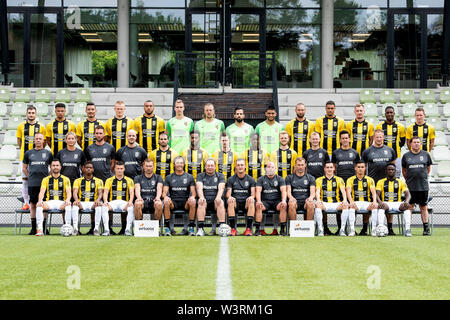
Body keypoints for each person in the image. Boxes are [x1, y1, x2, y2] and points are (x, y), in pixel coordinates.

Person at [361, 129, 396, 235]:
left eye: (381, 137)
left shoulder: (390, 150)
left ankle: (389, 228)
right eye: (377, 137)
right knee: (370, 205)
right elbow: (363, 167)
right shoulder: (367, 151)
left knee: (387, 205)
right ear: (374, 137)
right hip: (372, 184)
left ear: (383, 137)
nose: (379, 139)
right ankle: (365, 228)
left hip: (386, 183)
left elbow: (393, 166)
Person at [84, 125, 116, 234]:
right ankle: (93, 227)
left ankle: (109, 227)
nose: (98, 135)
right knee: (95, 203)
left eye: (100, 133)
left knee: (107, 203)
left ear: (104, 134)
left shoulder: (110, 147)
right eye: (96, 133)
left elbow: (113, 162)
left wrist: (109, 171)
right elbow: (87, 163)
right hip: (93, 180)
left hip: (106, 179)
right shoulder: (89, 148)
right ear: (94, 134)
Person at [22, 132, 53, 235]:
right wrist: (29, 176)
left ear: (43, 140)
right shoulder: (28, 153)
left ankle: (43, 228)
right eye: (37, 139)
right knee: (33, 205)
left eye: (40, 139)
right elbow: (24, 168)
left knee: (43, 205)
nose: (38, 140)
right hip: (33, 184)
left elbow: (52, 168)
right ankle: (33, 228)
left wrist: (48, 177)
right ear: (34, 140)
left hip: (44, 185)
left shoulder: (48, 153)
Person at [17, 105, 46, 210]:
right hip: (24, 158)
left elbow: (44, 141)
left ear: (36, 114)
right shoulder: (21, 126)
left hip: (37, 159)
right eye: (29, 112)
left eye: (33, 113)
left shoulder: (41, 127)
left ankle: (40, 201)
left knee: (37, 180)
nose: (31, 114)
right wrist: (26, 154)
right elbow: (19, 142)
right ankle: (26, 203)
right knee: (25, 180)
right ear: (26, 114)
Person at [402, 136, 433, 236]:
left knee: (423, 207)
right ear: (410, 144)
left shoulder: (426, 155)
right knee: (409, 207)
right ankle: (408, 229)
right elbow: (404, 171)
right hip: (410, 187)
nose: (416, 144)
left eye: (418, 142)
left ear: (420, 144)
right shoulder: (406, 156)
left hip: (423, 186)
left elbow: (428, 169)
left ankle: (426, 228)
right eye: (414, 142)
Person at [35, 159, 72, 236]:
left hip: (61, 202)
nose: (55, 167)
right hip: (50, 203)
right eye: (53, 165)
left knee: (68, 205)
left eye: (57, 165)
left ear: (60, 167)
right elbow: (42, 192)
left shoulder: (66, 179)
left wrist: (68, 200)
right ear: (50, 167)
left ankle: (67, 228)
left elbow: (69, 192)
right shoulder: (45, 179)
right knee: (39, 206)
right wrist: (40, 200)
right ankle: (40, 230)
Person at [162, 156, 197, 236]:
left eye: (181, 163)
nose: (179, 165)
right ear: (174, 164)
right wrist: (165, 197)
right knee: (166, 201)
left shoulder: (190, 177)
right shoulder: (168, 177)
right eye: (177, 163)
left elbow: (193, 193)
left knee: (193, 201)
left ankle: (191, 228)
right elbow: (164, 193)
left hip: (185, 203)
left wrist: (192, 197)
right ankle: (167, 229)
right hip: (173, 203)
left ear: (184, 164)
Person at [376, 164, 413, 237]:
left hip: (397, 203)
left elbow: (408, 194)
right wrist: (380, 202)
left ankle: (407, 229)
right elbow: (377, 195)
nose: (391, 171)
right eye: (389, 169)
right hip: (386, 203)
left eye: (392, 169)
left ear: (395, 171)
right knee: (381, 207)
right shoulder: (381, 182)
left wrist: (406, 202)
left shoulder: (401, 182)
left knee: (406, 207)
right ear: (386, 171)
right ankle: (381, 227)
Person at [314, 161, 348, 236]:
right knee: (317, 205)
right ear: (324, 169)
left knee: (345, 205)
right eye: (327, 167)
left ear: (334, 169)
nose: (329, 169)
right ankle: (320, 230)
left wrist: (345, 200)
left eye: (331, 167)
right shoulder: (319, 180)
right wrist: (318, 200)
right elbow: (317, 192)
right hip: (324, 204)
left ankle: (342, 230)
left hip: (336, 203)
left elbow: (343, 191)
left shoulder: (339, 179)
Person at [344, 160, 377, 236]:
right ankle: (352, 230)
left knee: (375, 208)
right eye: (358, 167)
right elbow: (348, 192)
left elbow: (373, 192)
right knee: (351, 208)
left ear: (365, 168)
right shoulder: (350, 180)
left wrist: (374, 201)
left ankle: (373, 231)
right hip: (356, 202)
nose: (360, 169)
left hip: (366, 203)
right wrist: (351, 202)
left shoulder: (370, 179)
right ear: (355, 168)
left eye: (362, 167)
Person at [71, 161, 104, 236]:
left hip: (93, 203)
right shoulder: (77, 181)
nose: (88, 169)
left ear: (93, 169)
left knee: (99, 206)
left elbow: (100, 193)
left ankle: (96, 229)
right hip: (82, 203)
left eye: (90, 168)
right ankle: (75, 229)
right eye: (87, 167)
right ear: (83, 169)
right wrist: (76, 200)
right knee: (75, 206)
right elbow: (75, 192)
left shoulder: (99, 181)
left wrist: (98, 200)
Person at [102, 161, 135, 236]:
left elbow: (132, 192)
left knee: (131, 208)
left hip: (124, 202)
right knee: (104, 207)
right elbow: (106, 192)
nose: (119, 170)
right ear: (114, 169)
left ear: (124, 169)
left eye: (121, 168)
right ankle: (107, 230)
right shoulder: (109, 180)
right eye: (118, 168)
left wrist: (130, 202)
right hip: (113, 202)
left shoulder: (129, 180)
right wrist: (105, 201)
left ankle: (127, 230)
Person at [255, 161, 287, 236]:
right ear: (266, 169)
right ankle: (257, 230)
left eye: (272, 167)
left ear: (275, 169)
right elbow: (258, 191)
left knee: (283, 206)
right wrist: (259, 201)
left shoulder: (280, 179)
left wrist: (284, 201)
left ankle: (282, 230)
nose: (270, 169)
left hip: (276, 202)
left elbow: (283, 190)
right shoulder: (261, 179)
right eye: (268, 167)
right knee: (258, 205)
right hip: (265, 201)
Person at [196, 158, 226, 236]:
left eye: (212, 165)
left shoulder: (220, 175)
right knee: (201, 202)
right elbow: (199, 188)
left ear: (215, 167)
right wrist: (201, 197)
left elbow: (221, 188)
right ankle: (201, 229)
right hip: (205, 200)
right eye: (208, 165)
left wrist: (218, 197)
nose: (210, 167)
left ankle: (222, 228)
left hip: (215, 201)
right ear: (205, 167)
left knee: (220, 202)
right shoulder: (200, 175)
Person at [226, 158, 256, 236]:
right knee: (230, 201)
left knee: (251, 201)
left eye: (242, 165)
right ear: (235, 167)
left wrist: (251, 197)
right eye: (238, 165)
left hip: (246, 203)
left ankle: (248, 229)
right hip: (235, 202)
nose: (240, 167)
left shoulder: (251, 179)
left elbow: (253, 194)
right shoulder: (230, 179)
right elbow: (228, 194)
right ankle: (233, 229)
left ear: (245, 166)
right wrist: (230, 197)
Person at [375, 106, 406, 177]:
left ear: (394, 113)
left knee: (396, 175)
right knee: (383, 174)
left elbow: (403, 141)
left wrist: (396, 147)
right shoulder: (379, 126)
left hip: (396, 155)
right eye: (387, 113)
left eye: (391, 112)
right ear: (385, 114)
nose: (389, 114)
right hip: (382, 155)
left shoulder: (400, 126)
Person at [134, 158, 164, 224]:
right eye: (147, 166)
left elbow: (159, 188)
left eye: (150, 166)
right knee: (137, 203)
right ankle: (140, 226)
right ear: (143, 167)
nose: (148, 168)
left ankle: (156, 227)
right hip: (143, 201)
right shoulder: (138, 178)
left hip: (153, 201)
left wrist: (158, 198)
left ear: (153, 167)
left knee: (159, 204)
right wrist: (139, 198)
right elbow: (137, 188)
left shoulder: (159, 177)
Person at [286, 157, 316, 223]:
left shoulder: (310, 178)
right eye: (298, 165)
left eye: (302, 165)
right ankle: (294, 227)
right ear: (295, 165)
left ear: (305, 165)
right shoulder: (289, 177)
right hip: (295, 201)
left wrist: (310, 198)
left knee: (311, 203)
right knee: (291, 204)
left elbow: (313, 192)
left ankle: (308, 227)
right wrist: (291, 198)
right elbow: (288, 192)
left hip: (306, 201)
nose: (300, 167)